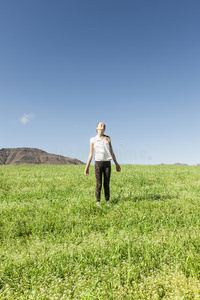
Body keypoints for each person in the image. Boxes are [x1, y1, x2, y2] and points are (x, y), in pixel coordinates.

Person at [84, 122, 121, 206]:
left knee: (106, 183)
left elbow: (111, 151)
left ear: (104, 129)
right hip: (98, 163)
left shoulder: (107, 138)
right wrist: (87, 167)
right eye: (100, 125)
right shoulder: (93, 139)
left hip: (107, 163)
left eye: (104, 125)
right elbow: (91, 153)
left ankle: (107, 201)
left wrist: (116, 164)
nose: (102, 125)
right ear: (97, 128)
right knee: (99, 183)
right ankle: (98, 202)